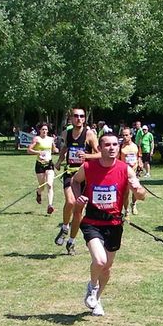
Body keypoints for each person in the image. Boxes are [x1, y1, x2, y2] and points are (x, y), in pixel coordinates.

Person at [70, 132, 147, 316]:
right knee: (100, 260)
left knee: (107, 267)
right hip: (92, 222)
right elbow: (75, 181)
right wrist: (78, 197)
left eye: (115, 145)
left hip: (114, 224)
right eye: (107, 145)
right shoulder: (88, 166)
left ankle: (97, 300)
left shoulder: (125, 169)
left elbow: (142, 194)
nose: (112, 148)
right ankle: (92, 286)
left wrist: (138, 190)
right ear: (100, 148)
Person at [54, 107, 99, 254]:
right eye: (76, 116)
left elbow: (99, 154)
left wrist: (87, 156)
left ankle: (71, 242)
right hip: (70, 172)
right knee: (71, 202)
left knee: (79, 211)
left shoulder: (89, 134)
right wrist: (59, 161)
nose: (79, 118)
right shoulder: (67, 133)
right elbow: (65, 148)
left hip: (85, 175)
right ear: (71, 118)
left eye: (81, 116)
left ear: (84, 119)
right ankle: (65, 227)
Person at [27, 123, 57, 215]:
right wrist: (38, 152)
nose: (44, 131)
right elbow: (29, 150)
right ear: (39, 130)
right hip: (40, 164)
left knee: (50, 184)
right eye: (43, 129)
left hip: (49, 164)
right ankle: (38, 193)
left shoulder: (51, 139)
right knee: (42, 186)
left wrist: (56, 149)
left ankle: (50, 205)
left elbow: (54, 150)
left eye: (46, 129)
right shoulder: (37, 139)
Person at [118, 127, 141, 216]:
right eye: (123, 135)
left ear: (131, 135)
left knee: (136, 190)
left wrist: (140, 162)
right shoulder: (120, 147)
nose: (124, 137)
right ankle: (126, 210)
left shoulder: (136, 146)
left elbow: (139, 156)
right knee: (125, 193)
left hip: (135, 172)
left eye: (126, 135)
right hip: (124, 173)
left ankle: (134, 204)